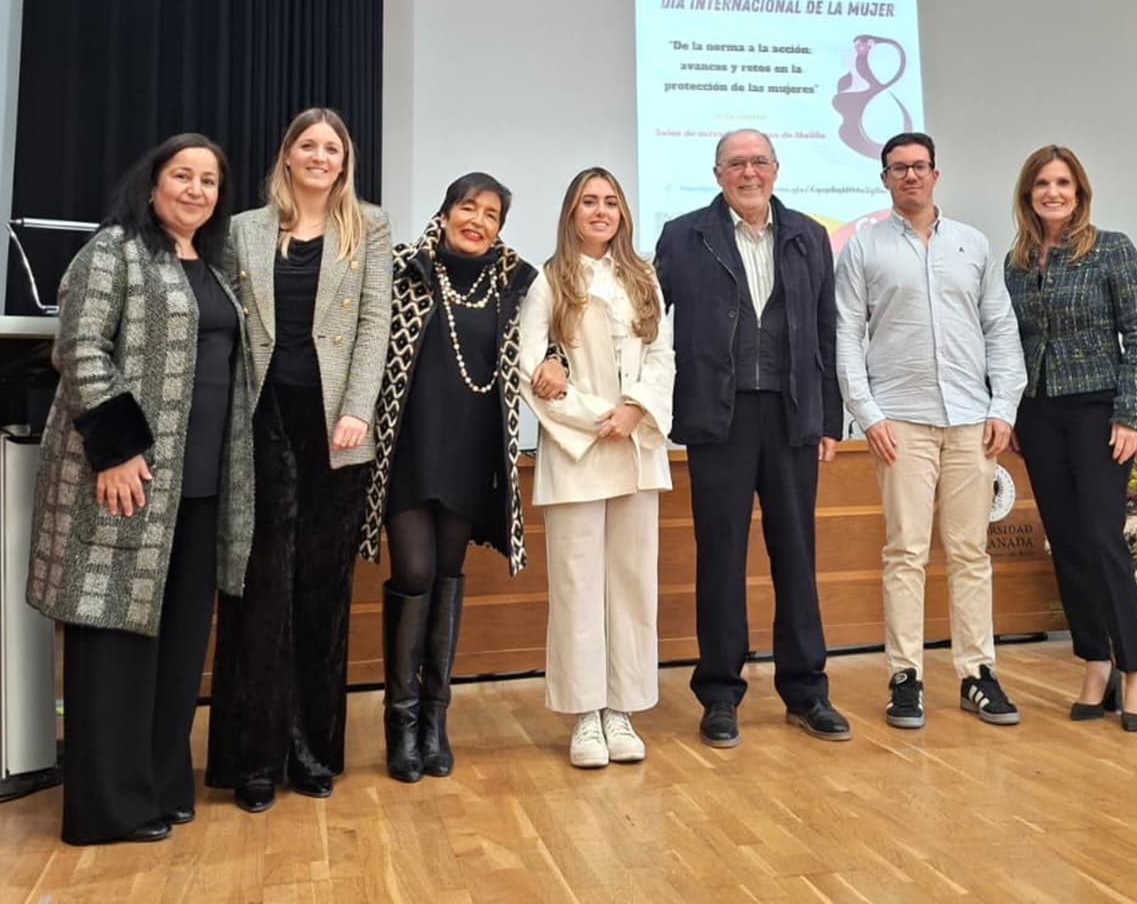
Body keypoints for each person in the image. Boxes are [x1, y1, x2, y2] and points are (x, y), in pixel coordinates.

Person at [27, 133, 252, 846]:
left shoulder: (214, 265)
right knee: (116, 641)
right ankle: (108, 809)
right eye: (182, 175)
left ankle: (161, 783)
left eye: (209, 181)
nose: (196, 190)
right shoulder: (113, 251)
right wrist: (117, 449)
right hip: (130, 481)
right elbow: (79, 348)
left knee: (180, 647)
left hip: (201, 485)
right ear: (152, 184)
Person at [207, 107, 392, 812]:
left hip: (337, 432)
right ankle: (252, 760)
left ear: (345, 161)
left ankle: (313, 752)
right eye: (307, 145)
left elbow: (374, 322)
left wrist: (357, 409)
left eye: (331, 148)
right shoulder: (244, 230)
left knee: (322, 591)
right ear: (286, 155)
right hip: (260, 424)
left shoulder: (369, 227)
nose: (319, 156)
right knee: (258, 593)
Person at [654, 128, 851, 749]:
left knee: (796, 554)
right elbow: (646, 323)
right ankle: (719, 693)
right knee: (721, 558)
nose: (749, 172)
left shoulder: (809, 236)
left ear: (776, 169)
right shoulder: (683, 236)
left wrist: (829, 418)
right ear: (717, 174)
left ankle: (806, 690)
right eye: (736, 163)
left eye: (759, 161)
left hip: (792, 417)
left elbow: (827, 329)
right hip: (718, 417)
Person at [834, 131, 1027, 731]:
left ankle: (977, 674)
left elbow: (1000, 327)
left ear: (936, 175)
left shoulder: (973, 243)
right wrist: (868, 415)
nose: (911, 176)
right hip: (899, 422)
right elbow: (846, 334)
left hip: (973, 421)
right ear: (885, 179)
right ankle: (905, 677)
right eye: (899, 168)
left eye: (920, 166)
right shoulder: (863, 247)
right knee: (905, 552)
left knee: (970, 552)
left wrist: (1004, 406)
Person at [358, 172, 538, 782]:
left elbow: (547, 339)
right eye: (468, 207)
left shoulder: (515, 282)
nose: (477, 221)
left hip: (470, 451)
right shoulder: (402, 268)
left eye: (491, 214)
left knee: (448, 575)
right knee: (414, 571)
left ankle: (434, 721)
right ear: (444, 212)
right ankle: (400, 720)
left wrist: (556, 361)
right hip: (408, 450)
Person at [519, 167, 675, 768]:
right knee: (579, 585)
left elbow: (662, 356)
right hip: (578, 453)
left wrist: (635, 410)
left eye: (611, 202)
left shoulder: (643, 278)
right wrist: (595, 417)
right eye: (589, 201)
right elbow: (530, 367)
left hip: (635, 449)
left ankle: (622, 710)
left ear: (623, 215)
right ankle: (586, 714)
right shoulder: (549, 280)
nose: (601, 211)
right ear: (572, 213)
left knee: (632, 585)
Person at [1004, 144, 1137, 731]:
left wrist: (1131, 416)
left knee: (1101, 538)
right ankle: (1096, 662)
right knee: (1066, 544)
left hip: (1099, 413)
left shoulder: (1111, 249)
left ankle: (1136, 670)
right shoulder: (1016, 262)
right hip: (1038, 415)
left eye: (1063, 183)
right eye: (1043, 183)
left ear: (1079, 192)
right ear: (1028, 195)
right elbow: (1009, 344)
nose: (1053, 192)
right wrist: (1012, 414)